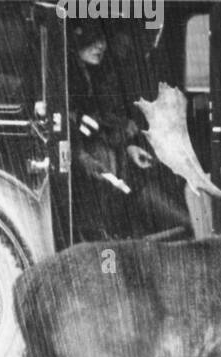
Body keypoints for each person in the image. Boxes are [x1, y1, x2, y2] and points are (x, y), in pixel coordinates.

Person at [66, 21, 189, 239]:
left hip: (122, 176)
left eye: (102, 40)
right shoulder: (70, 86)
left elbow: (102, 129)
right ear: (76, 41)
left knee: (182, 223)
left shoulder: (95, 78)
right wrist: (98, 169)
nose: (101, 46)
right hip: (101, 189)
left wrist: (129, 149)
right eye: (93, 40)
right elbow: (78, 146)